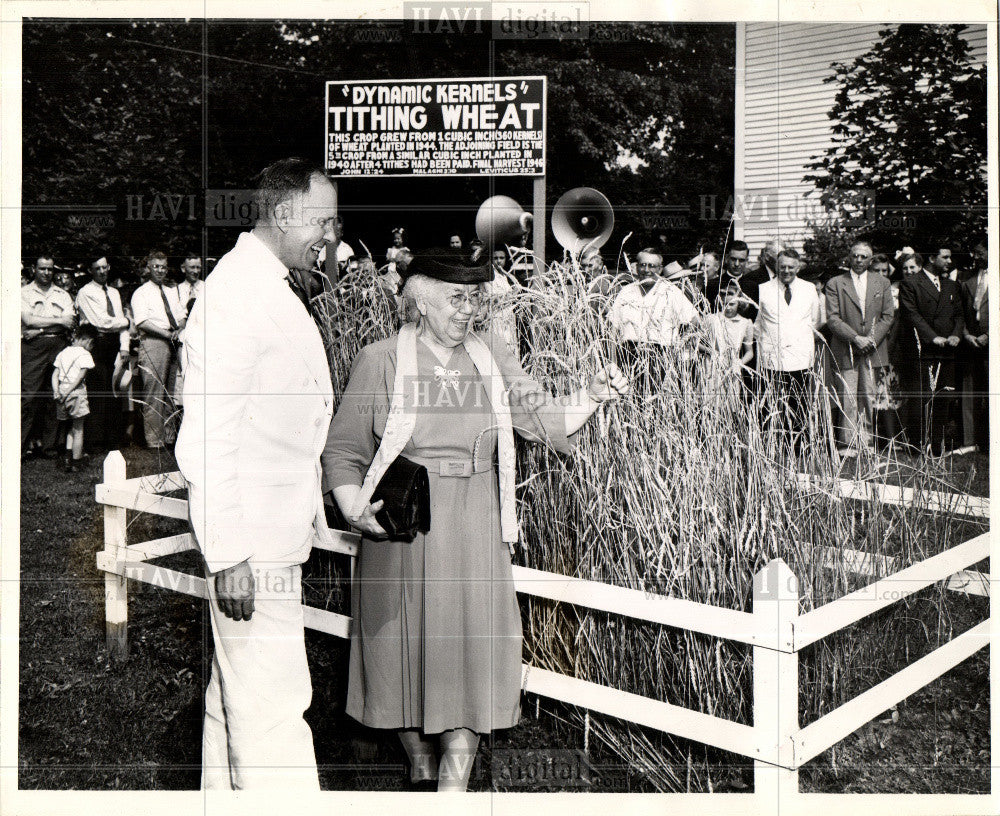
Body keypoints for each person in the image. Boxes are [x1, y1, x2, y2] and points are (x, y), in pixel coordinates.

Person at [322, 247, 628, 792]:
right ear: (419, 301)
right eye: (456, 298)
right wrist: (353, 508)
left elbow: (541, 416)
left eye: (474, 298)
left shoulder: (493, 356)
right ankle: (418, 758)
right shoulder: (382, 359)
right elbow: (343, 450)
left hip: (477, 526)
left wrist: (592, 395)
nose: (468, 310)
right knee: (398, 652)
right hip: (399, 529)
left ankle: (452, 788)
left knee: (470, 648)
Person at [175, 157, 338, 789]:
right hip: (251, 540)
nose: (329, 235)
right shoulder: (236, 293)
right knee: (271, 695)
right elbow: (207, 439)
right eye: (321, 222)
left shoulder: (265, 281)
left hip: (272, 529)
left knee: (235, 686)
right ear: (283, 214)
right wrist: (229, 553)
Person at [824, 241, 896, 456]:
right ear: (849, 257)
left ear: (870, 260)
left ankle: (866, 442)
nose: (858, 260)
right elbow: (833, 318)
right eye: (855, 255)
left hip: (872, 349)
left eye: (863, 256)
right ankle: (847, 444)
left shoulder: (881, 283)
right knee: (847, 394)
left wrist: (870, 340)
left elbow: (887, 316)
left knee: (868, 394)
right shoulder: (836, 283)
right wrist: (855, 338)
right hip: (847, 347)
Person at [896, 249, 964, 455]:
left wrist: (956, 335)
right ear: (932, 258)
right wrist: (932, 337)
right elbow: (912, 315)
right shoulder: (910, 283)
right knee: (922, 398)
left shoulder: (952, 285)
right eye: (945, 256)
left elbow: (959, 314)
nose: (949, 261)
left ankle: (937, 445)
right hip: (922, 350)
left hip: (947, 350)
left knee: (943, 397)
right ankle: (918, 445)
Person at [754, 249, 821, 451]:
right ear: (776, 266)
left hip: (801, 356)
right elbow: (757, 324)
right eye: (782, 266)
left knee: (798, 401)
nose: (786, 270)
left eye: (790, 266)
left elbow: (816, 320)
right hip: (772, 356)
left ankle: (798, 446)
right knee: (771, 402)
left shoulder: (809, 288)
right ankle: (770, 444)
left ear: (798, 267)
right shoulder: (763, 288)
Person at [609, 247, 698, 388]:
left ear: (660, 269)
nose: (646, 270)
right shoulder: (625, 292)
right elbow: (613, 327)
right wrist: (613, 361)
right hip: (628, 355)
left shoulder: (671, 292)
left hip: (659, 358)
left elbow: (694, 320)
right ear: (636, 267)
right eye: (642, 265)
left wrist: (679, 345)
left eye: (652, 266)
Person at [130, 251, 186, 449]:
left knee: (171, 392)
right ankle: (154, 441)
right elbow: (142, 322)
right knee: (154, 391)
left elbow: (181, 316)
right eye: (156, 266)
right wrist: (166, 334)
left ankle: (169, 437)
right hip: (155, 342)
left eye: (163, 267)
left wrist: (179, 329)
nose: (160, 270)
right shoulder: (141, 293)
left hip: (173, 341)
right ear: (149, 268)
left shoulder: (171, 291)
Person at [75, 255, 131, 450]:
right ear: (91, 270)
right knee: (97, 391)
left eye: (104, 267)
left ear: (109, 267)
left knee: (115, 391)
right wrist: (127, 323)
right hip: (97, 344)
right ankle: (96, 441)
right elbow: (102, 322)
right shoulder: (86, 292)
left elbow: (119, 320)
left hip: (115, 344)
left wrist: (125, 346)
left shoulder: (114, 292)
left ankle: (114, 439)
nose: (101, 271)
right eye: (97, 268)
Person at [21, 255, 75, 457]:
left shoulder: (62, 294)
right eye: (42, 268)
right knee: (29, 396)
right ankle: (20, 447)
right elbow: (28, 320)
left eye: (50, 269)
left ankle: (49, 446)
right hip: (33, 347)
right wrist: (57, 321)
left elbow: (69, 321)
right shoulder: (24, 293)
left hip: (58, 345)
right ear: (34, 269)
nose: (46, 273)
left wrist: (43, 325)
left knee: (54, 396)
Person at [51, 323, 97, 472]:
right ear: (86, 340)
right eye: (92, 343)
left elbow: (55, 375)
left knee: (69, 426)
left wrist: (56, 391)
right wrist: (69, 391)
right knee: (79, 428)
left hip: (61, 391)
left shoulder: (63, 352)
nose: (92, 346)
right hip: (75, 392)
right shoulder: (85, 355)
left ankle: (67, 458)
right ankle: (77, 462)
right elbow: (80, 376)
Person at [959, 241, 988, 452]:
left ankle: (990, 441)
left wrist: (990, 335)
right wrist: (967, 334)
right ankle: (970, 442)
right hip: (970, 343)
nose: (976, 256)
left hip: (991, 343)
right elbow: (960, 312)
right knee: (969, 393)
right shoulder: (967, 279)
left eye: (980, 253)